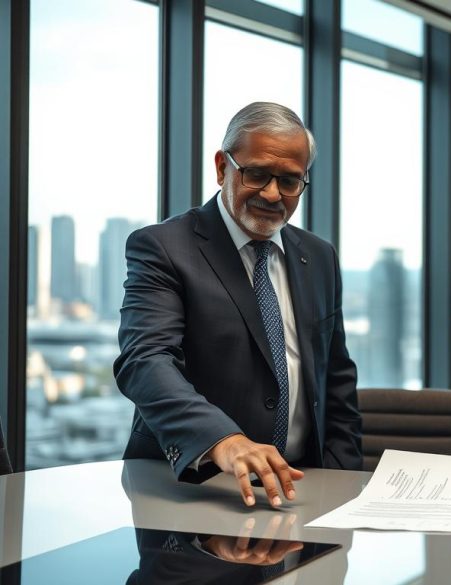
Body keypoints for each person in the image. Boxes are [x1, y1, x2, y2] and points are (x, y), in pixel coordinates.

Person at [115, 102, 362, 508]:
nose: (272, 193)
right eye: (257, 174)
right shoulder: (163, 247)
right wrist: (223, 440)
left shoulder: (319, 256)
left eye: (289, 181)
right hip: (194, 492)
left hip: (305, 491)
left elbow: (335, 379)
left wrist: (342, 479)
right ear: (221, 167)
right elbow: (145, 360)